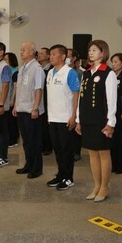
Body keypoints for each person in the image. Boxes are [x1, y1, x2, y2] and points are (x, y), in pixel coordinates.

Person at [75, 40, 117, 202]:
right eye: (89, 50)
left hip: (101, 119)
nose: (91, 53)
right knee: (92, 153)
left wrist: (110, 122)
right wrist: (78, 119)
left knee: (103, 153)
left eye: (94, 50)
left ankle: (104, 187)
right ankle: (96, 185)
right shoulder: (86, 73)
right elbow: (81, 98)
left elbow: (111, 100)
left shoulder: (108, 73)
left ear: (103, 53)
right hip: (87, 119)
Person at [45, 44, 80, 190]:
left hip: (65, 118)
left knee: (66, 150)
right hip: (53, 117)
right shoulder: (50, 72)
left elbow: (76, 94)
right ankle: (60, 174)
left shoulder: (69, 72)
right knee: (57, 149)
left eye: (54, 54)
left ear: (63, 56)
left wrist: (74, 116)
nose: (51, 56)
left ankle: (68, 178)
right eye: (50, 54)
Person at [13, 41, 45, 178]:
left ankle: (37, 168)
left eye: (24, 50)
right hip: (21, 109)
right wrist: (15, 105)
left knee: (34, 141)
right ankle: (28, 164)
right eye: (21, 49)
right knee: (26, 141)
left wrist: (35, 108)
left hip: (32, 110)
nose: (21, 52)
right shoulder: (22, 68)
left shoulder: (37, 69)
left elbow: (38, 89)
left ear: (32, 52)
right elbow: (19, 89)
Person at [67, 48, 83, 161]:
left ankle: (76, 151)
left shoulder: (79, 73)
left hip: (75, 104)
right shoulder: (61, 71)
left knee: (74, 131)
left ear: (73, 59)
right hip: (64, 106)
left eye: (68, 56)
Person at [39, 47, 52, 156]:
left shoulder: (51, 70)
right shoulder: (38, 68)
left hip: (48, 100)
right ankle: (42, 145)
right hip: (40, 100)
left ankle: (48, 147)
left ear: (48, 56)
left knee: (47, 125)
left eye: (42, 53)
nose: (39, 55)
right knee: (41, 125)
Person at [4, 52, 20, 147]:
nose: (5, 61)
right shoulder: (7, 70)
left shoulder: (15, 71)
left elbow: (15, 87)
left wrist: (12, 99)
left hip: (12, 98)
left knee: (12, 121)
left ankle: (13, 140)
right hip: (6, 98)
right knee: (7, 121)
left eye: (6, 59)